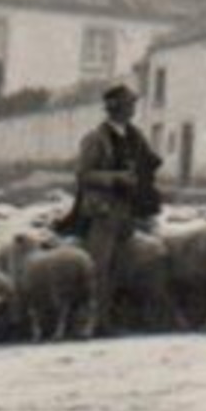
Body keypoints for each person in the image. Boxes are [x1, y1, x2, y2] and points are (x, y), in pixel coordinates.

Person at [72, 84, 162, 338]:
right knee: (99, 268)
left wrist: (150, 169)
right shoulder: (95, 139)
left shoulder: (136, 136)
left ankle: (111, 320)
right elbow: (83, 174)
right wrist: (116, 178)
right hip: (102, 213)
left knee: (121, 267)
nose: (133, 108)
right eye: (129, 104)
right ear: (116, 108)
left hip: (126, 212)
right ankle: (93, 323)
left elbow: (147, 161)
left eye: (133, 103)